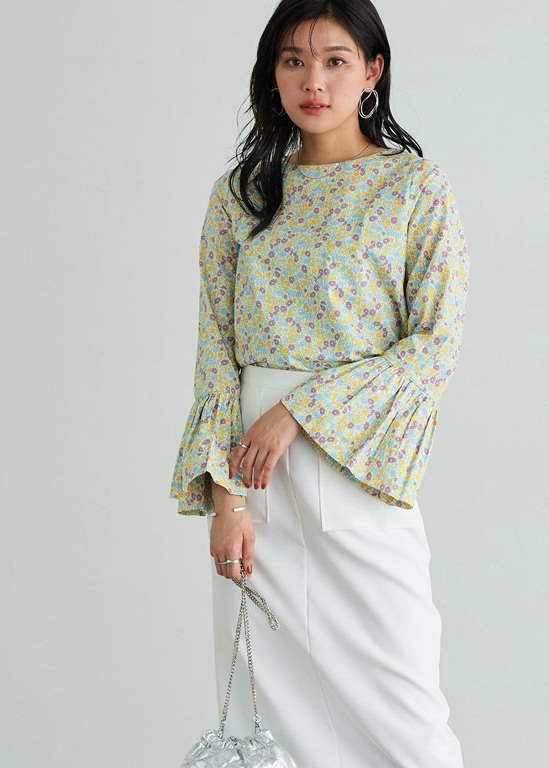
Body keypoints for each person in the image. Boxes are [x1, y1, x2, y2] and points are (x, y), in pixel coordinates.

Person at [169, 2, 469, 766]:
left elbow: (434, 345)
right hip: (254, 492)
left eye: (336, 60)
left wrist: (301, 410)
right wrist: (225, 502)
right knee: (263, 724)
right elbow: (215, 357)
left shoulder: (414, 189)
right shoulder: (238, 196)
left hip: (357, 469)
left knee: (406, 720)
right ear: (272, 73)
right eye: (294, 60)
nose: (314, 81)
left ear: (372, 71)